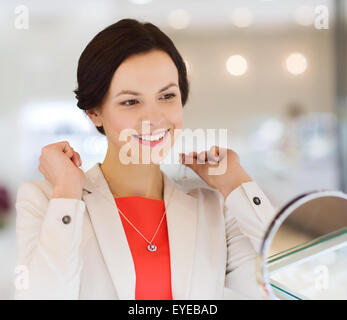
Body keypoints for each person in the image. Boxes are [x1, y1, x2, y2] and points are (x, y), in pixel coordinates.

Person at [14, 18, 277, 300]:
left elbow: (282, 283)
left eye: (167, 96)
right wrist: (67, 190)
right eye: (130, 101)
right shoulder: (47, 201)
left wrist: (236, 183)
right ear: (94, 112)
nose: (154, 118)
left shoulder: (214, 209)